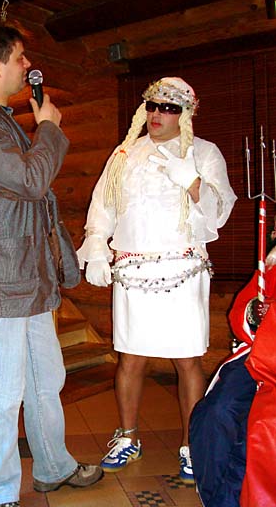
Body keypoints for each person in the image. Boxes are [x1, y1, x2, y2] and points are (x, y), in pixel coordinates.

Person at [0, 24, 103, 507]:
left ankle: (53, 466)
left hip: (26, 272)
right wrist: (49, 128)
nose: (26, 65)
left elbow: (26, 189)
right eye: (19, 58)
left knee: (45, 379)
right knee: (2, 388)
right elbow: (31, 180)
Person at [77, 77, 237, 482]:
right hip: (133, 271)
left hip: (182, 271)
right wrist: (96, 244)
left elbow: (221, 211)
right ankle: (128, 437)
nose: (157, 114)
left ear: (185, 114)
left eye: (168, 108)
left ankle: (191, 445)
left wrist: (193, 182)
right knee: (131, 358)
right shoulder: (124, 154)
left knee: (187, 359)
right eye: (152, 105)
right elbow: (103, 205)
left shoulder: (204, 153)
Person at [189, 239, 276, 507]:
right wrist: (254, 313)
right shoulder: (272, 266)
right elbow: (241, 311)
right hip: (257, 357)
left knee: (259, 429)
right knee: (215, 413)